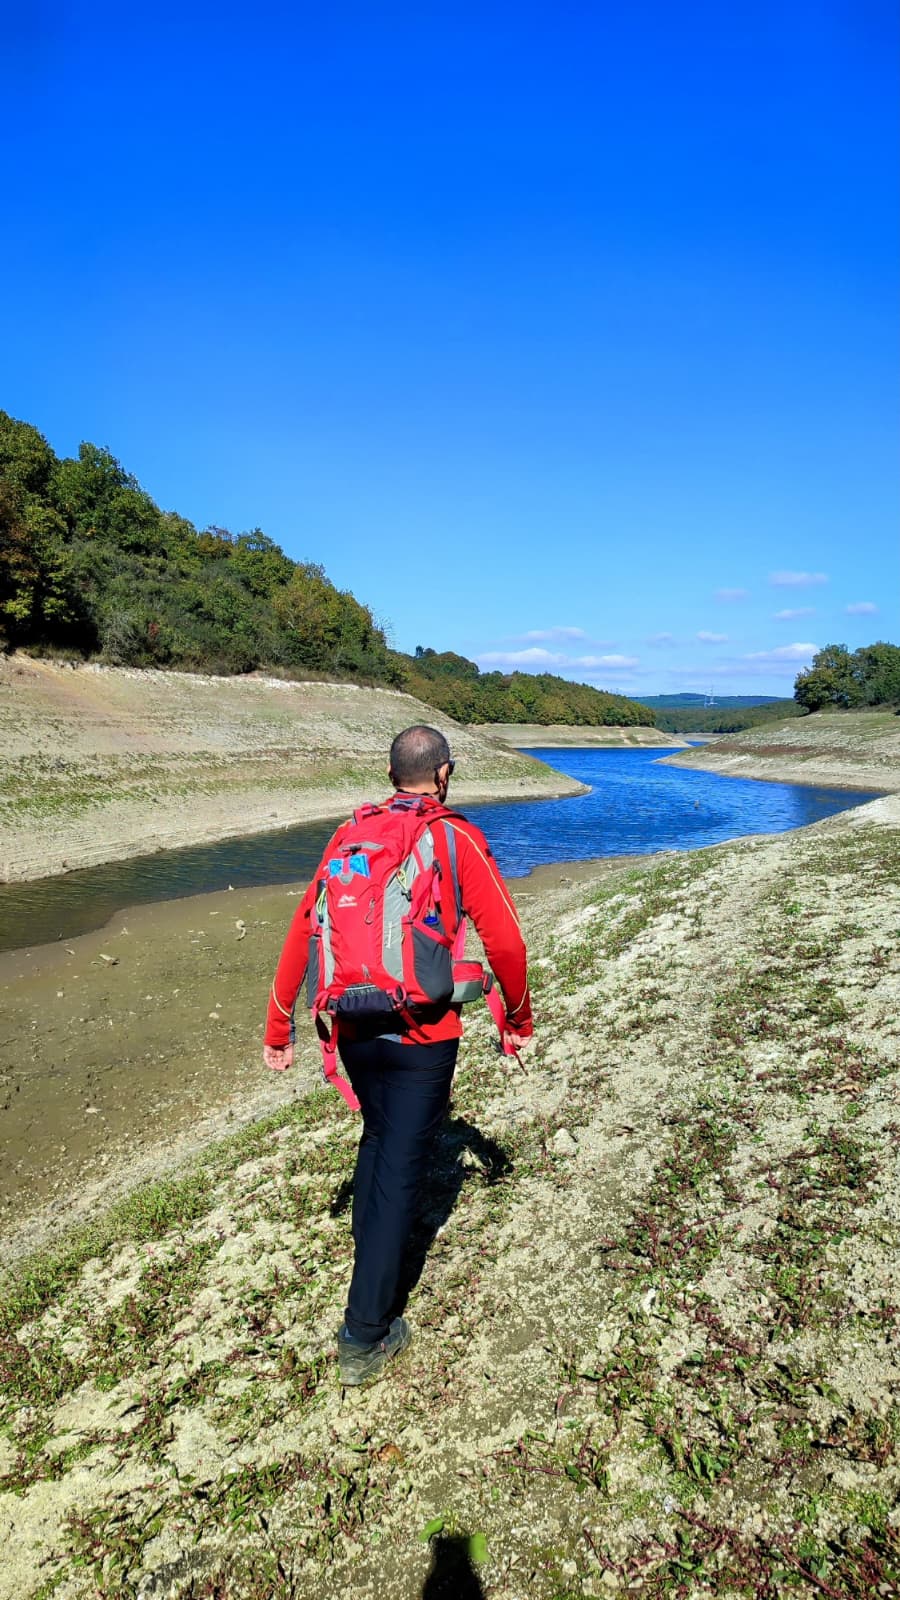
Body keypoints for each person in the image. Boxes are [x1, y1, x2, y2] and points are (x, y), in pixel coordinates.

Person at [263, 724, 533, 1385]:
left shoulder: (348, 834)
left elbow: (305, 927)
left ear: (392, 775)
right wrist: (518, 1021)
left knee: (379, 1138)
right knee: (401, 1172)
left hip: (353, 1029)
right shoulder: (456, 835)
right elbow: (507, 944)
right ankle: (366, 1334)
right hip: (424, 1036)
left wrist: (279, 1027)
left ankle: (370, 1258)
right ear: (444, 773)